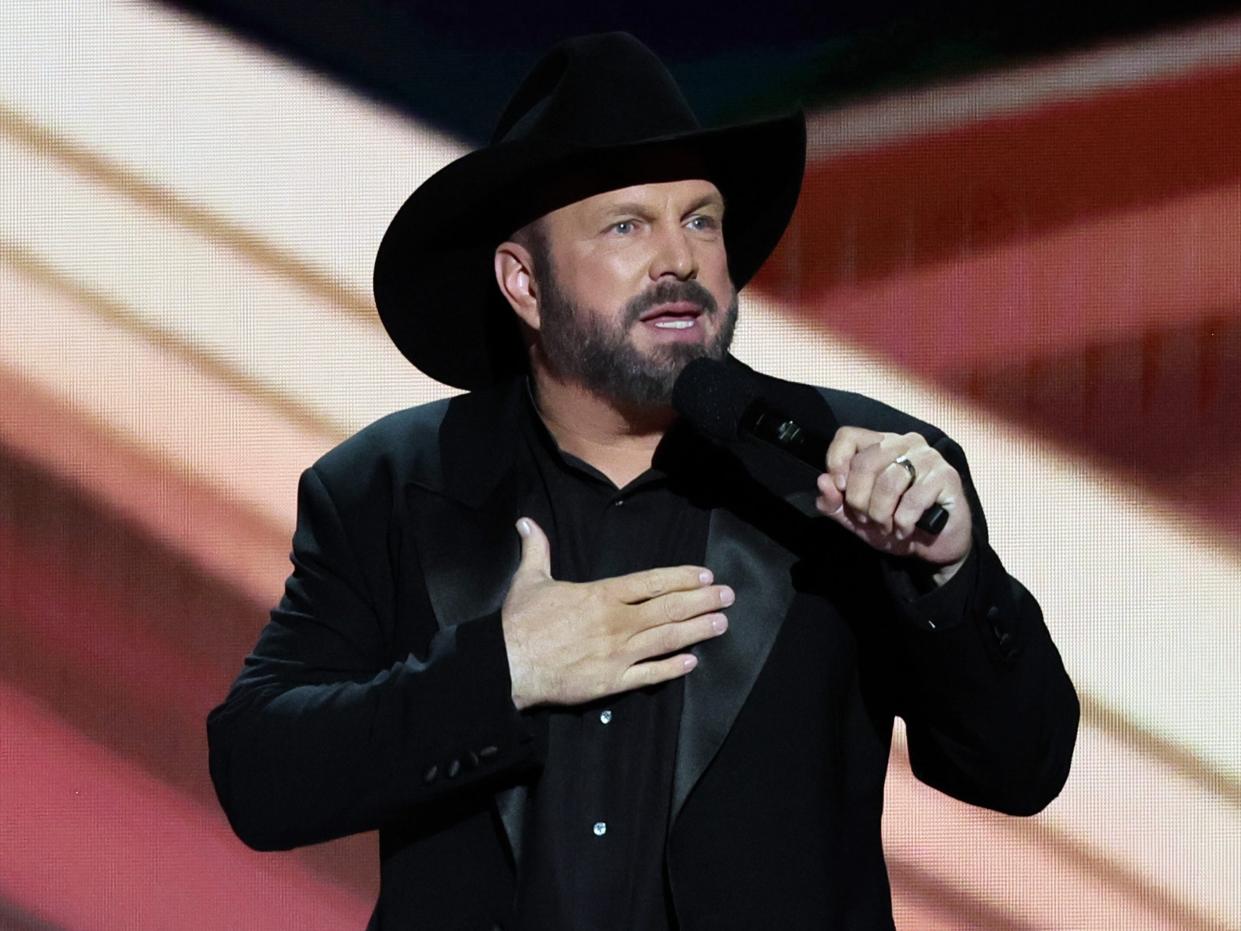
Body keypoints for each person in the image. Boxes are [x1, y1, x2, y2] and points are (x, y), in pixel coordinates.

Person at [207, 32, 1078, 930]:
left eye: (700, 219)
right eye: (627, 225)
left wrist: (948, 575)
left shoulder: (849, 467)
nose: (680, 258)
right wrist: (500, 672)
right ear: (523, 282)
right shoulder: (387, 486)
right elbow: (261, 775)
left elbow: (1020, 769)